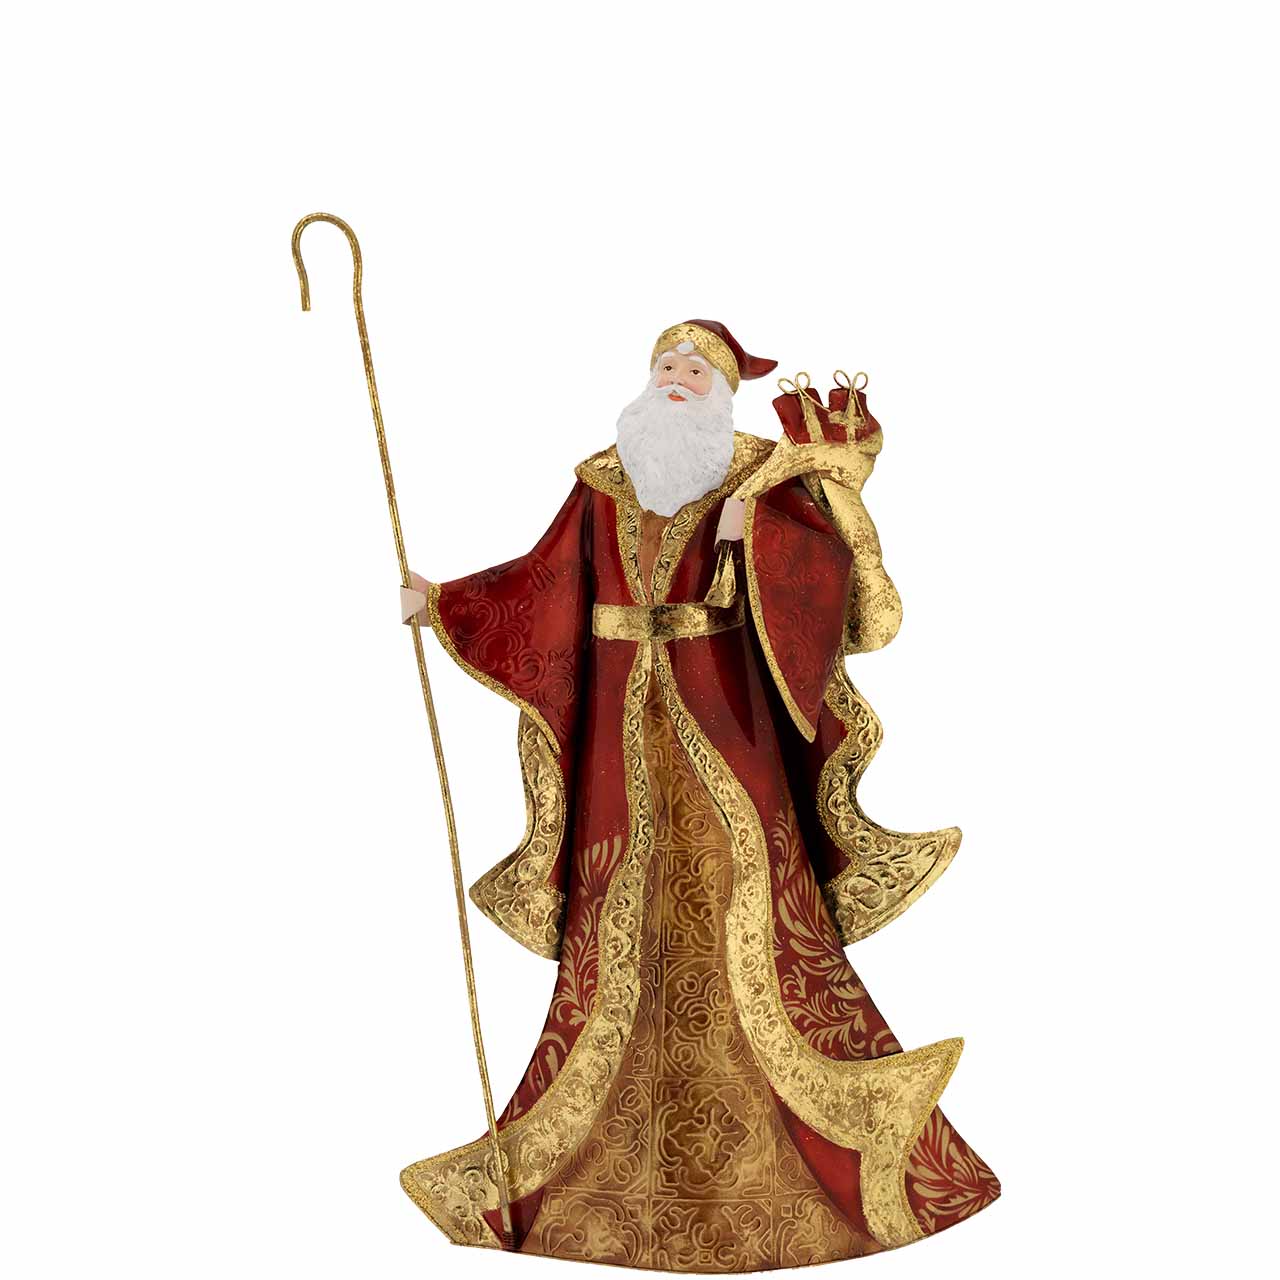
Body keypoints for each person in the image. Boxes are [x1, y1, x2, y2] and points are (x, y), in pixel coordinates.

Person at [397, 319, 999, 1271]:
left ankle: (836, 1147)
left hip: (727, 730)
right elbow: (544, 585)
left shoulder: (758, 480)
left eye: (695, 370)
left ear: (723, 394)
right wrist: (446, 604)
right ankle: (582, 1169)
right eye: (665, 366)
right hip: (619, 745)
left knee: (743, 904)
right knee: (618, 921)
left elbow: (840, 603)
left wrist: (760, 532)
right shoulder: (600, 485)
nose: (676, 379)